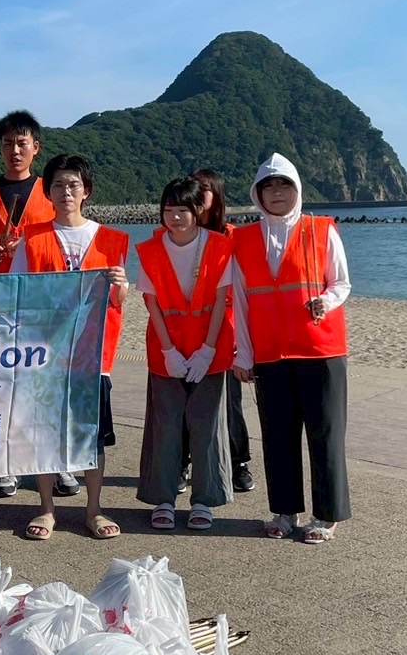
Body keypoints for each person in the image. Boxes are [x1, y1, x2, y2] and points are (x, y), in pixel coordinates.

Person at [231, 153, 351, 545]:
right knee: (278, 436)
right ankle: (284, 511)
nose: (276, 192)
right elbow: (241, 299)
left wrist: (326, 302)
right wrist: (243, 355)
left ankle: (326, 514)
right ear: (258, 193)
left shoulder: (321, 230)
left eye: (284, 185)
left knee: (325, 434)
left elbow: (341, 283)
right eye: (268, 186)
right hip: (271, 353)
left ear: (297, 190)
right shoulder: (244, 239)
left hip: (321, 350)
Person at [10, 154, 129, 540]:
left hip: (94, 358)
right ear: (48, 192)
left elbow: (119, 300)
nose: (66, 192)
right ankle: (46, 509)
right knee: (45, 433)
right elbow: (16, 293)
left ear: (87, 191)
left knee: (91, 436)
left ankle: (94, 509)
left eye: (74, 184)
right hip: (45, 356)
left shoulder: (112, 240)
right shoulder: (32, 237)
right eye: (58, 185)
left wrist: (121, 285)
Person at [0, 110, 77, 499]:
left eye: (22, 142)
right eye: (8, 142)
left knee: (49, 384)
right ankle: (7, 464)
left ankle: (59, 464)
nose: (14, 149)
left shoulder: (52, 191)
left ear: (36, 148)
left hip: (44, 302)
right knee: (4, 387)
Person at [136, 177, 233, 532]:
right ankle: (163, 498)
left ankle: (204, 500)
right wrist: (169, 350)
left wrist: (207, 350)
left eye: (183, 211)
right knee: (166, 423)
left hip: (211, 347)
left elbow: (223, 300)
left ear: (198, 211)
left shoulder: (221, 247)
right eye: (168, 210)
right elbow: (152, 303)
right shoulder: (150, 250)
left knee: (206, 426)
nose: (175, 218)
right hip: (167, 348)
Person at [192, 168, 254, 494]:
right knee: (187, 400)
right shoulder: (178, 233)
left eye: (204, 189)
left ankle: (239, 461)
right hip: (188, 328)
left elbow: (245, 288)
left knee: (229, 401)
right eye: (193, 189)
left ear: (216, 195)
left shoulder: (233, 236)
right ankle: (185, 460)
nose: (198, 195)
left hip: (227, 329)